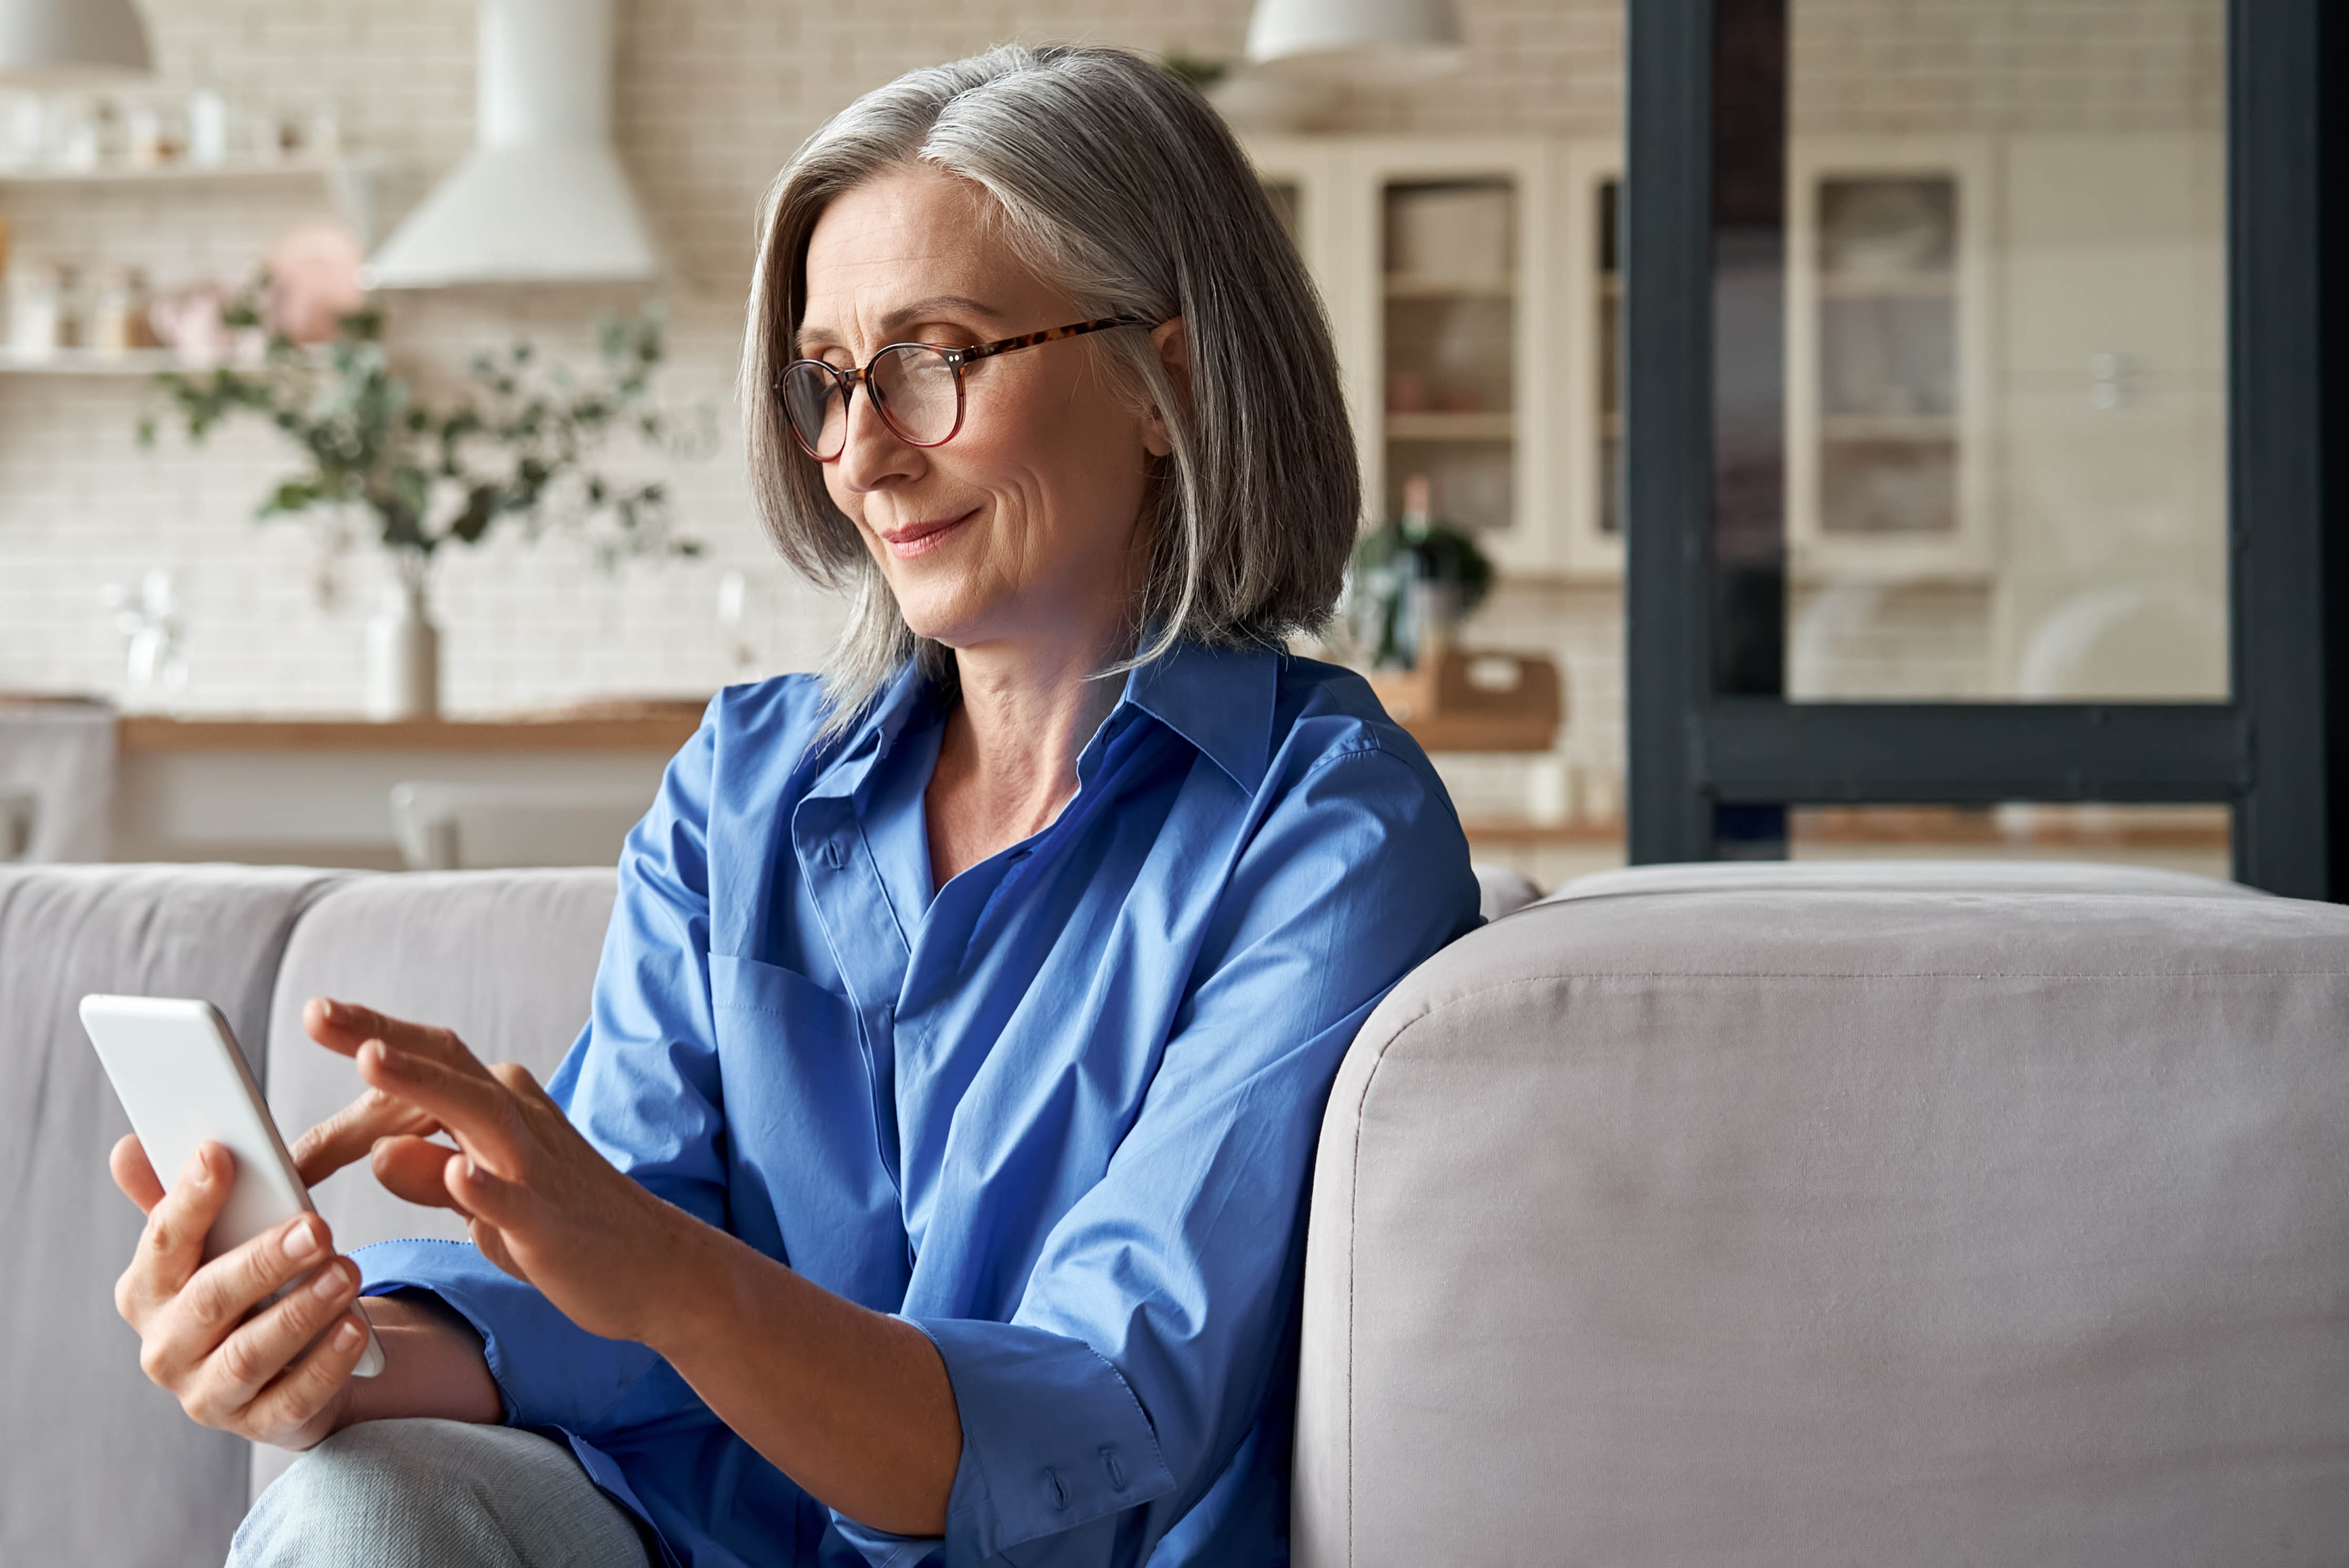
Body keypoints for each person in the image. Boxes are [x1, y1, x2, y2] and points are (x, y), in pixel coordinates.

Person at [109, 43, 1479, 1568]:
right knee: (356, 1503)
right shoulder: (744, 784)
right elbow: (612, 1301)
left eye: (936, 356)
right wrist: (323, 1345)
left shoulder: (1324, 828)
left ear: (1167, 382)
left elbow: (1109, 1406)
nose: (861, 451)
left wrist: (665, 1274)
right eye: (829, 378)